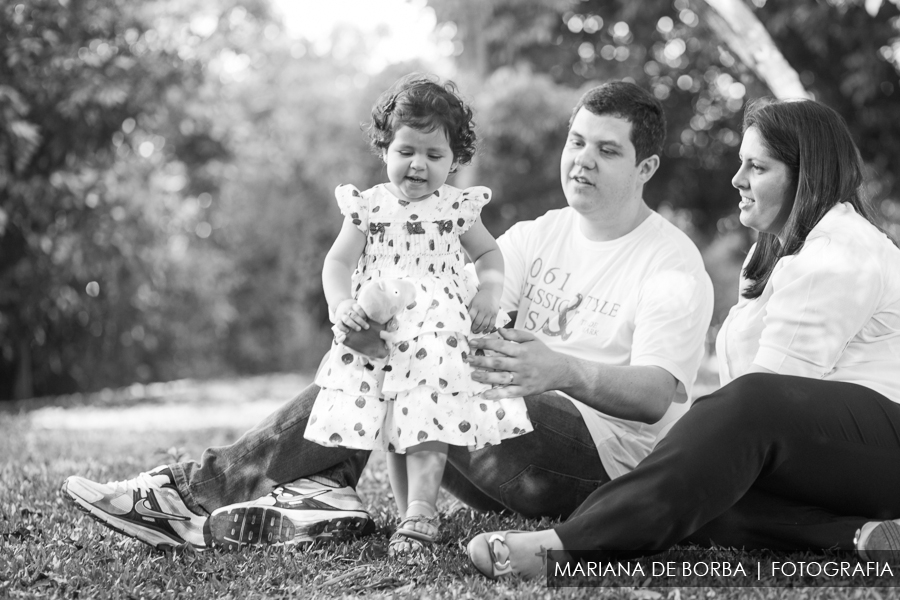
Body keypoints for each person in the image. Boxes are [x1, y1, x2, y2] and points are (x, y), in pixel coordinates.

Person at [60, 80, 713, 554]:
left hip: (591, 462)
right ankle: (320, 494)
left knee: (433, 356)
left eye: (607, 150)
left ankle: (195, 492)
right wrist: (363, 320)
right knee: (407, 341)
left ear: (646, 166)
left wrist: (561, 368)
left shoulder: (669, 263)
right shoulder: (540, 234)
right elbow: (434, 307)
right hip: (487, 448)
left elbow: (657, 396)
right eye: (577, 142)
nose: (582, 160)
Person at [466, 97, 900, 579]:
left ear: (807, 176)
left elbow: (772, 398)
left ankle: (568, 547)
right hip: (828, 455)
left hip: (881, 444)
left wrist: (697, 443)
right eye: (742, 164)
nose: (737, 180)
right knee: (706, 499)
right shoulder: (774, 253)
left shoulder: (840, 250)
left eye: (757, 167)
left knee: (726, 439)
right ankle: (860, 538)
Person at [306, 74, 532, 556]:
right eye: (407, 150)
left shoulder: (455, 209)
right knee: (392, 413)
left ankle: (423, 511)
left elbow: (490, 256)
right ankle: (411, 510)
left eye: (435, 155)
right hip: (381, 324)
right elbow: (338, 263)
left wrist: (490, 294)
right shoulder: (367, 207)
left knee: (429, 398)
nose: (418, 165)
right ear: (385, 148)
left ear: (454, 161)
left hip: (436, 327)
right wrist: (340, 304)